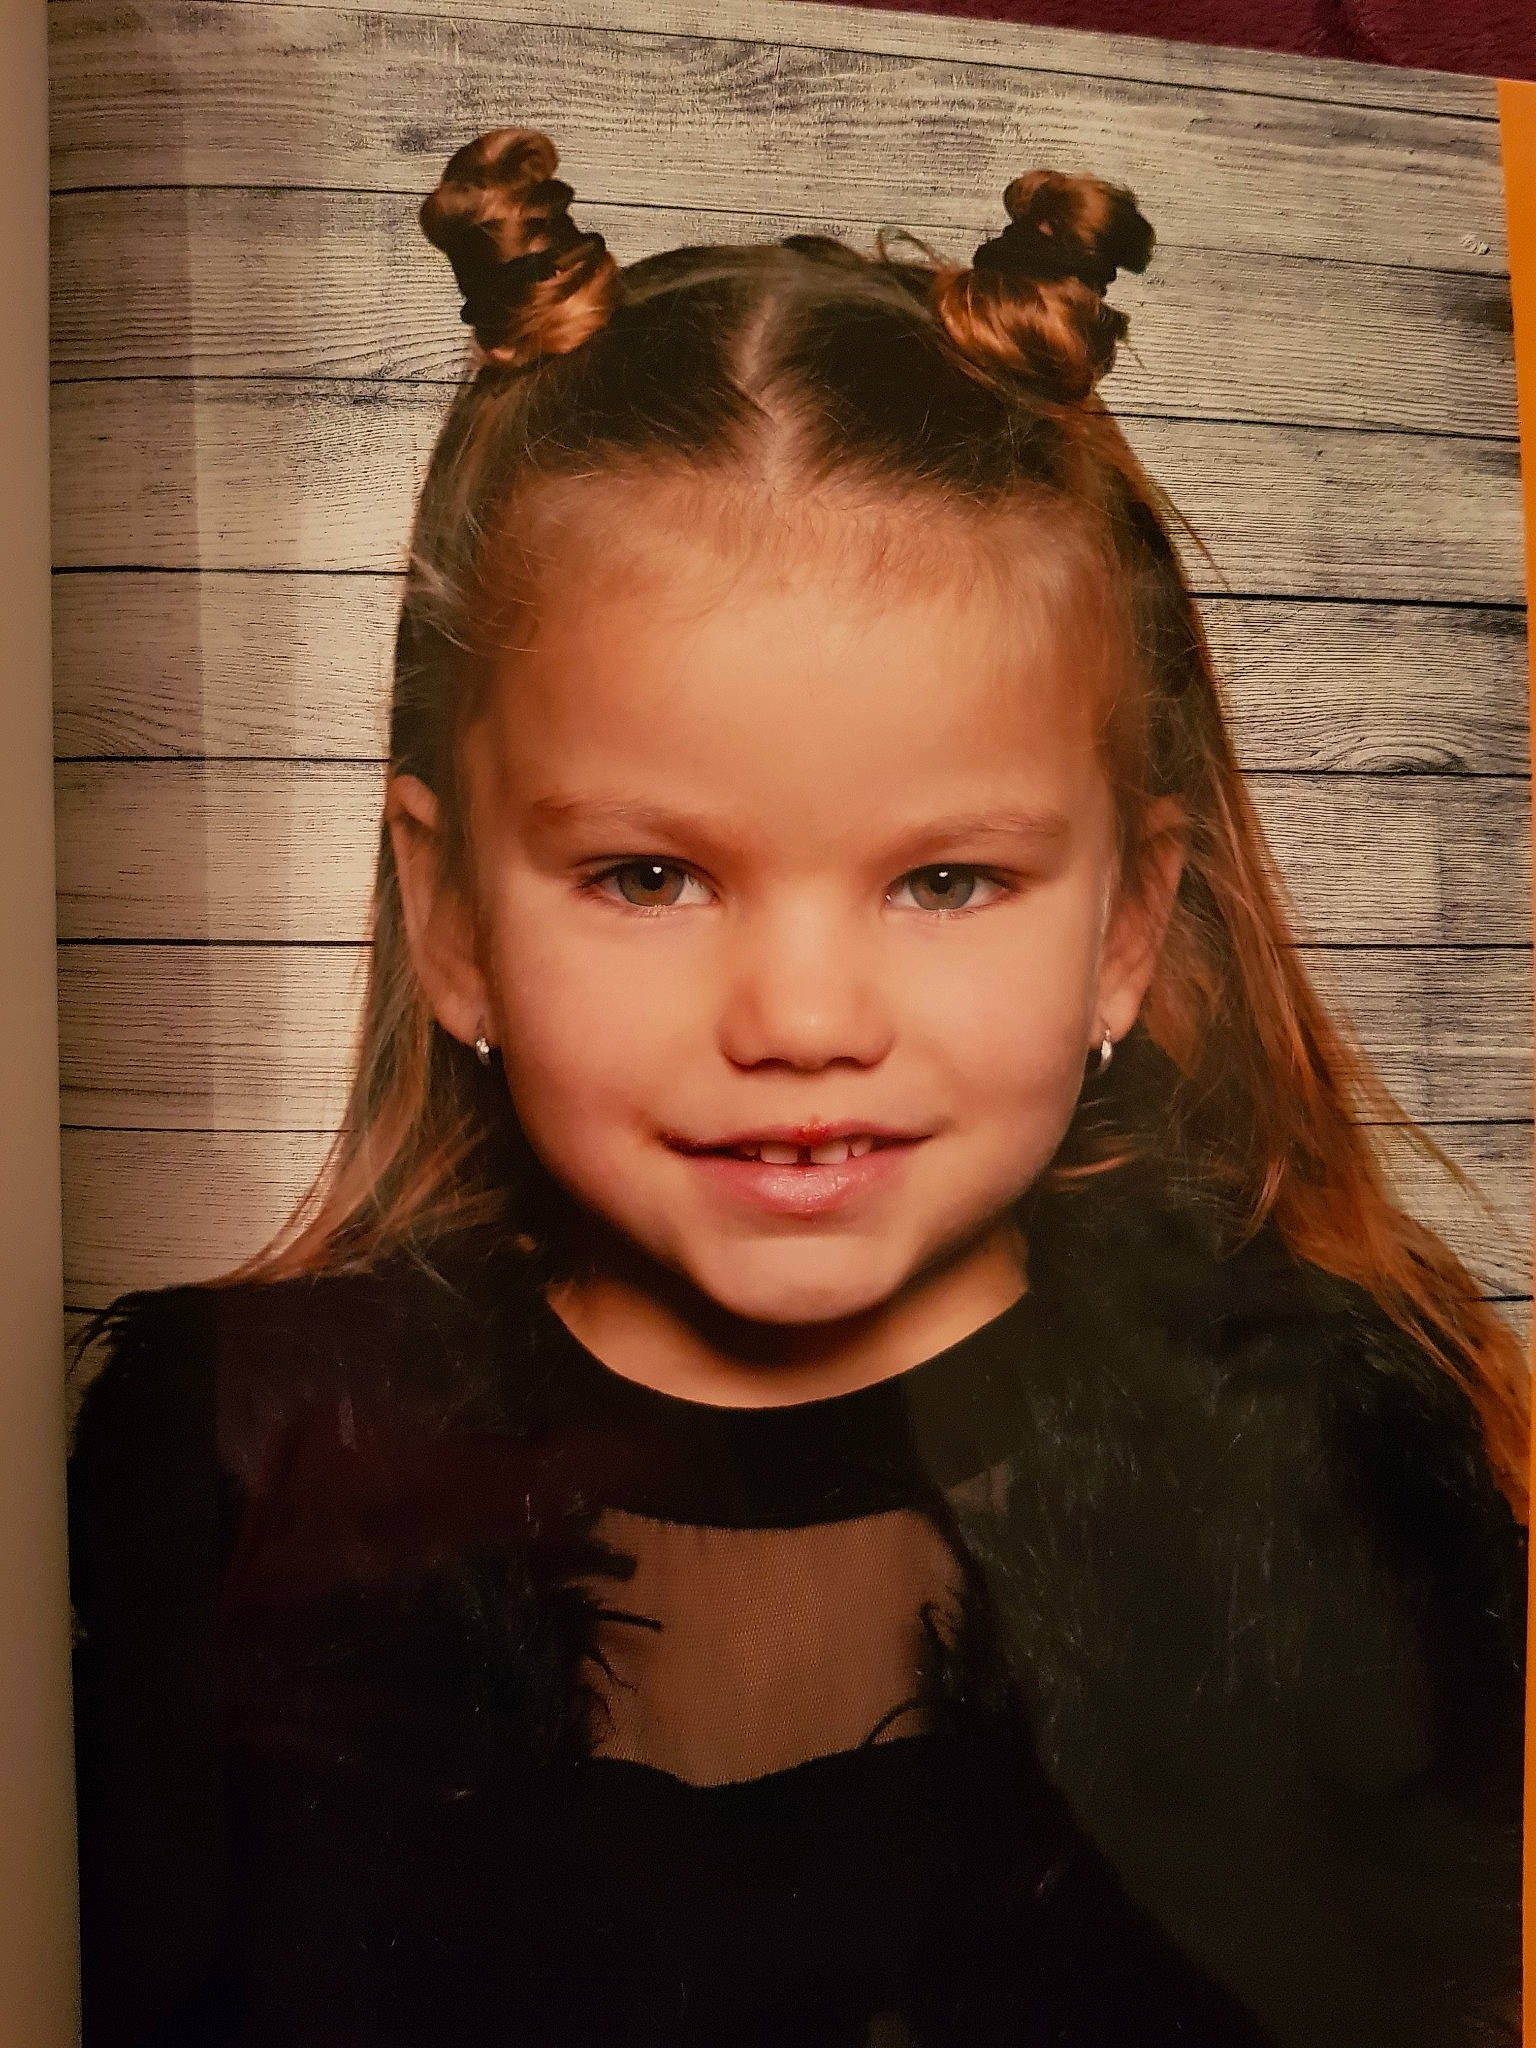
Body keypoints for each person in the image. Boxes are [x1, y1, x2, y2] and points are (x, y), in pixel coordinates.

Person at [66, 128, 1527, 2048]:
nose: (804, 1018)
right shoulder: (233, 1465)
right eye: (649, 876)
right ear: (452, 922)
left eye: (946, 879)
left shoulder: (1332, 1456)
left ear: (1123, 933)